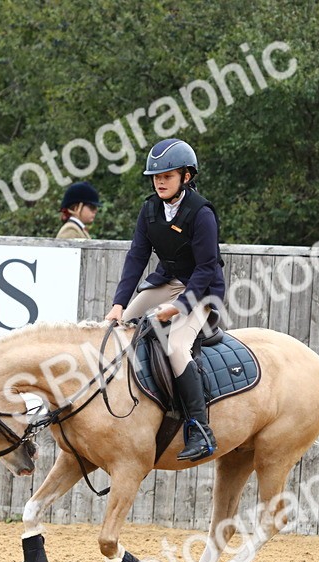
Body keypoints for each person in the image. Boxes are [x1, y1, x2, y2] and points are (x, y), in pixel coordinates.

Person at [104, 138, 226, 461]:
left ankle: (200, 429)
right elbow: (136, 257)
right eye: (156, 177)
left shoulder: (201, 213)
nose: (160, 182)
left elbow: (206, 268)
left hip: (202, 290)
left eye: (167, 176)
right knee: (120, 328)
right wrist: (118, 304)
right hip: (168, 281)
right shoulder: (149, 210)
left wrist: (177, 308)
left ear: (186, 176)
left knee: (176, 346)